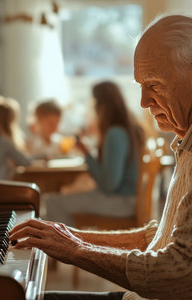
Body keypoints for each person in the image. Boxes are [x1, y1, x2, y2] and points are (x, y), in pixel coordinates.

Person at [9, 15, 192, 300]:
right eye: (141, 86)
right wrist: (70, 236)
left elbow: (186, 276)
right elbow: (163, 239)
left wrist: (76, 250)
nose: (144, 102)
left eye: (154, 84)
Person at [44, 81, 145, 227]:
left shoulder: (115, 134)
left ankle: (63, 248)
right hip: (128, 199)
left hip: (121, 202)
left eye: (94, 103)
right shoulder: (126, 128)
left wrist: (87, 155)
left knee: (52, 202)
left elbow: (109, 185)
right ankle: (71, 243)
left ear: (102, 106)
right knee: (62, 198)